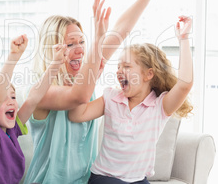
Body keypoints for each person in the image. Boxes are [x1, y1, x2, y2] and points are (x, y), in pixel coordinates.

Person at [24, 0, 179, 184]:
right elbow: (78, 96)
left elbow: (122, 29)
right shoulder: (42, 89)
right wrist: (97, 40)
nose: (79, 50)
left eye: (82, 42)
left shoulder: (88, 68)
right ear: (53, 49)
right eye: (70, 44)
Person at [68, 16, 194, 184]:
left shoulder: (160, 106)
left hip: (138, 180)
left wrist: (183, 39)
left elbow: (185, 84)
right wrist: (90, 79)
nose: (119, 71)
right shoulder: (111, 98)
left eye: (126, 66)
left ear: (149, 74)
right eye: (118, 66)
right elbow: (76, 115)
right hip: (104, 178)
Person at [0, 35, 67, 184]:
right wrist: (13, 57)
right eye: (4, 99)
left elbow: (34, 98)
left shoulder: (12, 131)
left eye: (13, 97)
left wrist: (56, 64)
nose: (11, 103)